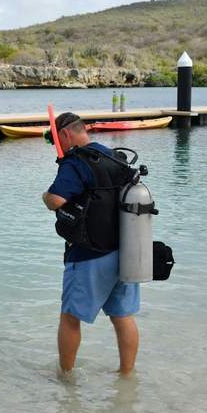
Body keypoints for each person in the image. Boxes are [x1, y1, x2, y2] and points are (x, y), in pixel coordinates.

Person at [42, 112, 140, 376]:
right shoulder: (115, 158)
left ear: (65, 134)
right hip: (127, 250)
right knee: (123, 316)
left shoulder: (76, 163)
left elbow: (56, 199)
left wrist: (45, 196)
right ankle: (127, 375)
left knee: (70, 318)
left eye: (53, 140)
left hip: (88, 253)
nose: (55, 146)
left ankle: (65, 377)